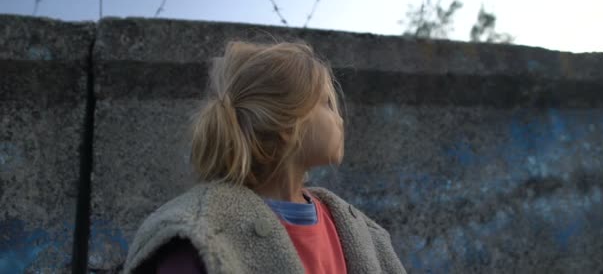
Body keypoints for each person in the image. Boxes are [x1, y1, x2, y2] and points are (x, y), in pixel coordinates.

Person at [122, 41, 407, 273]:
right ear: (287, 126)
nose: (340, 119)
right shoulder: (196, 237)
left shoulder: (354, 230)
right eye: (327, 104)